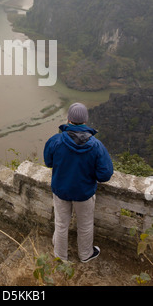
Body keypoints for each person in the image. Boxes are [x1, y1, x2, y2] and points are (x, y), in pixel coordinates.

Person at [44, 102, 113, 263]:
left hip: (61, 190)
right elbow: (105, 174)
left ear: (68, 119)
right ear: (85, 121)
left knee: (61, 224)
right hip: (84, 192)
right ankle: (85, 254)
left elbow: (48, 162)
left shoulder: (56, 140)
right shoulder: (96, 146)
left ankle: (60, 257)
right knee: (85, 225)